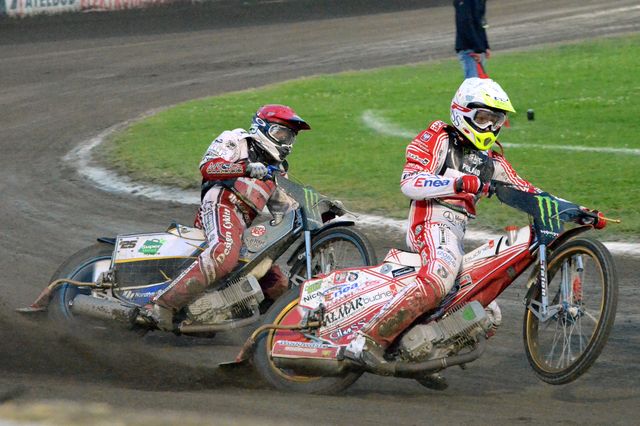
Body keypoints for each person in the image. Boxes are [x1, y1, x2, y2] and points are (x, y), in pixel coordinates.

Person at [345, 78, 607, 384]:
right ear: (463, 112)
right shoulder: (440, 137)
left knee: (486, 315)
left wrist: (576, 210)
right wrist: (456, 182)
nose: (490, 127)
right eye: (483, 118)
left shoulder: (492, 160)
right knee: (439, 277)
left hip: (456, 233)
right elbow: (410, 182)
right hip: (430, 221)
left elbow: (529, 191)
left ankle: (425, 356)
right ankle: (365, 341)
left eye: (497, 120)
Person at [146, 104, 311, 329]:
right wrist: (246, 168)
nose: (285, 141)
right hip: (220, 203)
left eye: (289, 136)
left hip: (242, 226)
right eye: (280, 133)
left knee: (278, 286)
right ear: (262, 128)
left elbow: (287, 208)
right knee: (225, 253)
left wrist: (321, 214)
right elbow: (208, 167)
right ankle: (160, 305)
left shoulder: (278, 170)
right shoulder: (237, 140)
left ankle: (257, 333)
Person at [454, 0, 491, 79]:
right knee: (473, 82)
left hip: (478, 47)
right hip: (469, 48)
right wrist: (477, 49)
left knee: (480, 82)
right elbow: (465, 23)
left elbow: (481, 21)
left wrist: (485, 45)